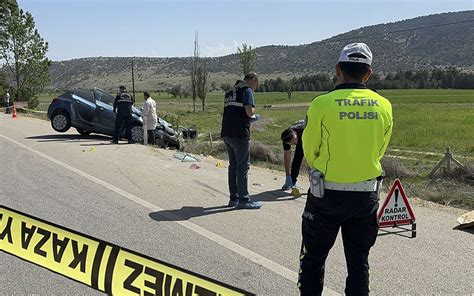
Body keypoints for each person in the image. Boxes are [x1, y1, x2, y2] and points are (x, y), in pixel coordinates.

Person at [298, 43, 393, 296]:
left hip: (326, 196)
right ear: (368, 73)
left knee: (313, 260)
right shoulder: (384, 105)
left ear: (337, 69)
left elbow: (310, 150)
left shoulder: (322, 103)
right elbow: (380, 149)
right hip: (365, 196)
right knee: (359, 263)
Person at [220, 72, 263, 209]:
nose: (256, 87)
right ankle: (244, 200)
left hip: (227, 133)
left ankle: (234, 198)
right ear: (253, 80)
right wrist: (255, 115)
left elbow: (234, 111)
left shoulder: (230, 91)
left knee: (233, 166)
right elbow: (249, 111)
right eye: (256, 84)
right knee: (243, 167)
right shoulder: (247, 90)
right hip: (240, 134)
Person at [280, 119, 305, 190]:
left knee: (309, 159)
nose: (295, 142)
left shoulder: (302, 132)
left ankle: (315, 183)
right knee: (297, 159)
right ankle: (292, 181)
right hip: (300, 137)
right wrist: (287, 175)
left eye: (294, 141)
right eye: (292, 143)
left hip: (309, 134)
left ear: (295, 134)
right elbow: (287, 156)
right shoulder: (286, 138)